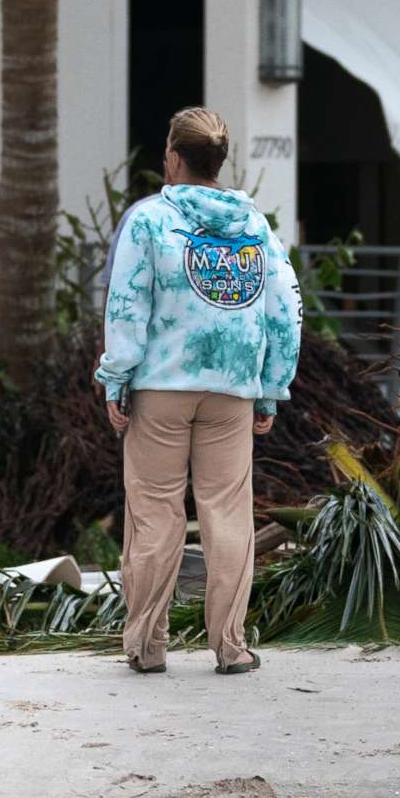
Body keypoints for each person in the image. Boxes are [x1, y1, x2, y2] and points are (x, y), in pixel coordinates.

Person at [96, 107, 302, 676]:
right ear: (219, 160)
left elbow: (127, 305)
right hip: (232, 391)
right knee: (228, 514)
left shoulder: (148, 220)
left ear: (173, 156)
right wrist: (271, 389)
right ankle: (230, 646)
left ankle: (147, 645)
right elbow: (286, 311)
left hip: (161, 387)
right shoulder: (257, 225)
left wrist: (116, 377)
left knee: (155, 514)